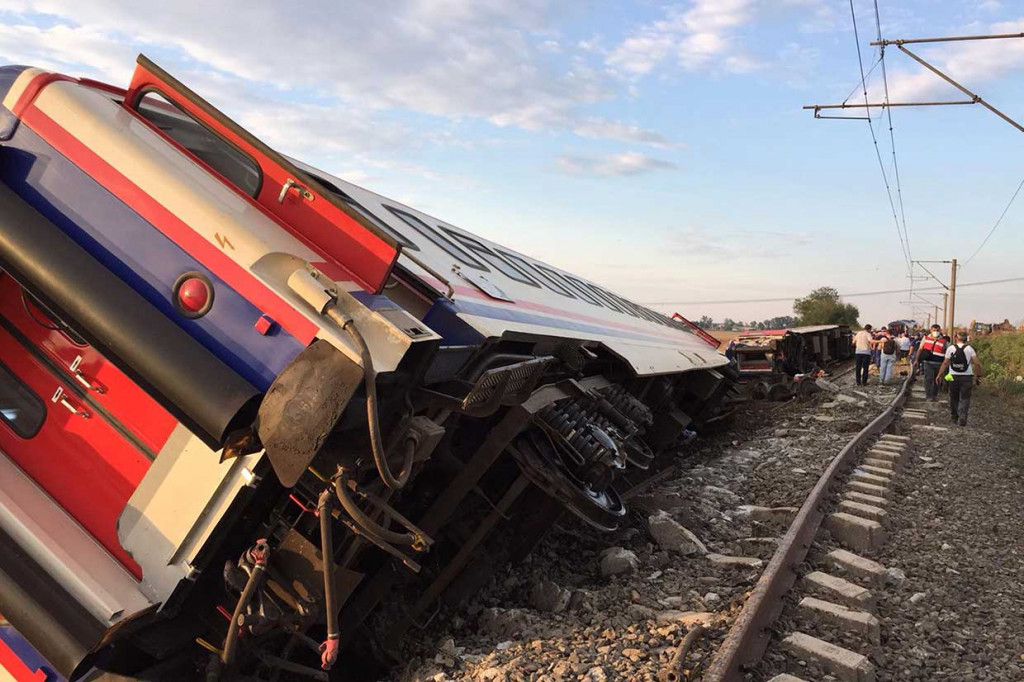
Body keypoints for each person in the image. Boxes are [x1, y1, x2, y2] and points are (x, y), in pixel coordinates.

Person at [935, 331, 983, 426]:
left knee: (954, 397)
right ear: (966, 339)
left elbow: (945, 363)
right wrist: (978, 376)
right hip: (967, 376)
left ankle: (954, 417)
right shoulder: (969, 349)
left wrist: (939, 375)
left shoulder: (951, 348)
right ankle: (963, 416)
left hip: (952, 376)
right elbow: (977, 363)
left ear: (956, 338)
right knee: (965, 397)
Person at [913, 324, 948, 402]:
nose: (936, 332)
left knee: (937, 379)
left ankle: (934, 395)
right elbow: (920, 349)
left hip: (939, 363)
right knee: (928, 379)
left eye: (937, 330)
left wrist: (946, 363)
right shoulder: (926, 338)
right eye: (934, 330)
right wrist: (916, 359)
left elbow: (947, 353)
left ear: (940, 331)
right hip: (928, 362)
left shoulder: (944, 341)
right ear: (931, 330)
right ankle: (929, 396)